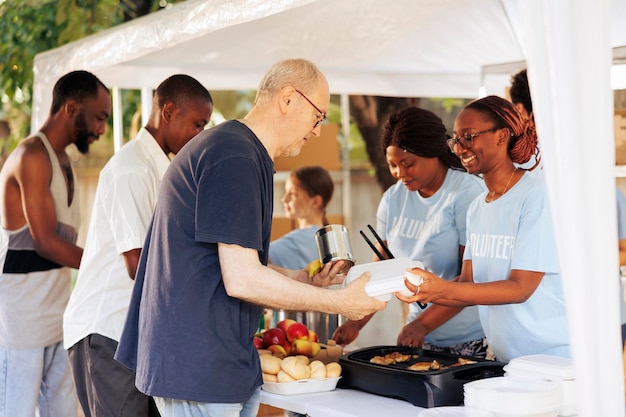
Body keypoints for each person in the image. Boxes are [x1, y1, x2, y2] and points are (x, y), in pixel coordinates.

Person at [114, 58, 385, 417]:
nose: (318, 130)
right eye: (318, 116)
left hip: (219, 363)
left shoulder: (240, 150)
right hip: (199, 367)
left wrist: (306, 280)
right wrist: (342, 303)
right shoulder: (234, 154)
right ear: (288, 99)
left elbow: (241, 263)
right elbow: (243, 279)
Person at [63, 75, 213, 417]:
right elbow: (138, 264)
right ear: (169, 111)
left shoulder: (165, 170)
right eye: (197, 124)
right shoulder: (132, 168)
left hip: (141, 337)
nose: (200, 135)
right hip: (108, 331)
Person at [398, 95, 570, 362]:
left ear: (502, 136)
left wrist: (442, 288)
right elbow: (468, 284)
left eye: (469, 137)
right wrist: (422, 320)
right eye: (456, 139)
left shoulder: (536, 195)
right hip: (507, 359)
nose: (460, 148)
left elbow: (520, 287)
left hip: (551, 358)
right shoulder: (478, 206)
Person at [332, 107, 487, 357]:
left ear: (433, 153)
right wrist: (355, 322)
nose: (400, 174)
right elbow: (380, 274)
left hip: (472, 338)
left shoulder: (466, 193)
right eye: (393, 165)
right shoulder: (393, 199)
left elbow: (470, 279)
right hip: (420, 335)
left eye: (408, 164)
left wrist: (421, 324)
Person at [0, 70, 111, 417]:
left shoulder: (65, 160)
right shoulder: (32, 155)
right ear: (71, 107)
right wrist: (109, 266)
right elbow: (46, 242)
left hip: (59, 317)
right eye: (99, 117)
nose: (102, 128)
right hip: (21, 325)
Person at [269, 165, 334, 269]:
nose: (284, 199)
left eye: (293, 194)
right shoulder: (327, 238)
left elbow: (253, 260)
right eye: (286, 192)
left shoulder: (303, 239)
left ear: (316, 201)